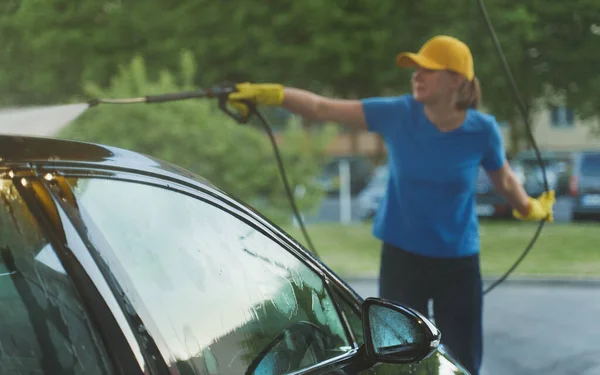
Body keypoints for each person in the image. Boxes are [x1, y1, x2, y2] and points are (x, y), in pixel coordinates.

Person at [226, 35, 555, 375]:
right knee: (397, 357)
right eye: (415, 69)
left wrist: (530, 207)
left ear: (457, 79)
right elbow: (322, 107)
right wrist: (270, 94)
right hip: (402, 259)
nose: (417, 75)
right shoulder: (398, 113)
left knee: (465, 360)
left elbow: (504, 179)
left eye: (428, 69)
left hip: (458, 264)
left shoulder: (482, 131)